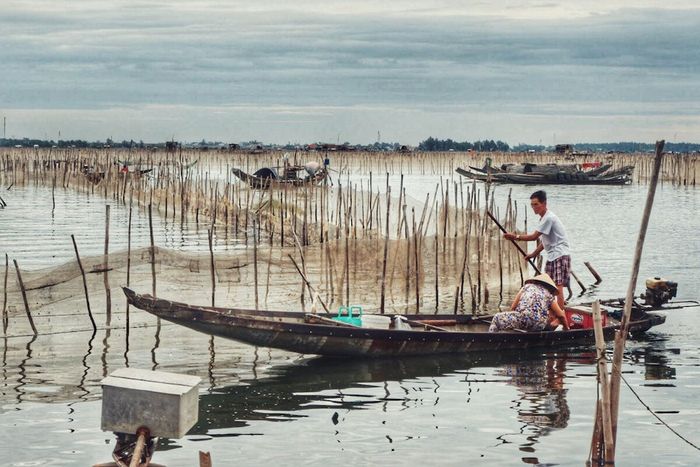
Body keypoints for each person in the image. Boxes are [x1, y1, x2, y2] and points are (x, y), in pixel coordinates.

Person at [504, 190, 571, 308]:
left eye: (536, 204)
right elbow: (545, 241)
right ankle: (553, 313)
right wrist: (533, 254)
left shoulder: (548, 218)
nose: (534, 208)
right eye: (532, 205)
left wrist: (515, 237)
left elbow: (534, 237)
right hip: (553, 255)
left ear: (544, 204)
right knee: (549, 286)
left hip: (559, 254)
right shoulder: (543, 219)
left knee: (557, 286)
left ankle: (561, 316)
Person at [489, 273, 569, 332]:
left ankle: (492, 338)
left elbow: (513, 307)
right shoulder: (549, 295)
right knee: (545, 317)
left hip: (524, 320)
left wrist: (512, 322)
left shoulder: (526, 287)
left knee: (497, 318)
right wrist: (567, 329)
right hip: (539, 325)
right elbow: (561, 315)